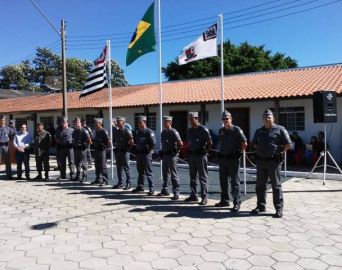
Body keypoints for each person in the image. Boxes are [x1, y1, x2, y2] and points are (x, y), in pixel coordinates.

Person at [251, 109, 292, 218]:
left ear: (273, 118)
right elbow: (254, 144)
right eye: (265, 117)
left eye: (269, 117)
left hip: (274, 162)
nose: (267, 119)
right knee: (260, 186)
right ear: (263, 119)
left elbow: (288, 144)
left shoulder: (280, 129)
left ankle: (279, 208)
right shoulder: (259, 131)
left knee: (276, 186)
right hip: (261, 162)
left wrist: (278, 152)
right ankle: (261, 206)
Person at [216, 110, 247, 212]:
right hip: (223, 159)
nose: (225, 120)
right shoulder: (221, 131)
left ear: (231, 119)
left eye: (227, 118)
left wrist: (239, 152)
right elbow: (220, 143)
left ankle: (236, 202)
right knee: (223, 181)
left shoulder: (236, 130)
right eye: (223, 119)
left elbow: (244, 143)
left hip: (233, 159)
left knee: (234, 182)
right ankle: (224, 200)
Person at [185, 112, 212, 205]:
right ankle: (194, 195)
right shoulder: (190, 130)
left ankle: (204, 197)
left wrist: (206, 151)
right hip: (192, 156)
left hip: (201, 156)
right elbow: (189, 142)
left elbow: (210, 142)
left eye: (192, 118)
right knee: (192, 177)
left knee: (203, 177)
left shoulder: (203, 129)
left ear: (197, 118)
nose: (190, 120)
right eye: (189, 118)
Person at [158, 116, 183, 200]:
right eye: (164, 122)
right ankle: (165, 190)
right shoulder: (163, 132)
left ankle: (176, 192)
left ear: (170, 123)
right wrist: (161, 152)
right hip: (165, 155)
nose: (164, 123)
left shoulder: (174, 132)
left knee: (174, 174)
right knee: (165, 174)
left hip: (172, 156)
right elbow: (163, 144)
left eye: (166, 122)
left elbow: (181, 143)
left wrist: (177, 151)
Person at [132, 115, 156, 195]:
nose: (138, 124)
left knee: (148, 171)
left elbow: (153, 143)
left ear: (144, 122)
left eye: (140, 122)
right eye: (138, 122)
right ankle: (140, 186)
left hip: (146, 155)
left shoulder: (149, 132)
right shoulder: (138, 132)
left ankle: (151, 188)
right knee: (140, 171)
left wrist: (148, 150)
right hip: (139, 154)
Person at [112, 116, 134, 190]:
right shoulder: (117, 131)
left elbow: (131, 142)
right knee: (119, 168)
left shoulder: (127, 131)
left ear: (123, 123)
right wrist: (116, 146)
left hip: (125, 152)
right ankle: (120, 183)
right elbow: (115, 141)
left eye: (119, 121)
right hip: (118, 152)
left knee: (126, 168)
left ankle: (129, 183)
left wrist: (127, 149)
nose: (117, 123)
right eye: (117, 121)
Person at [91, 118, 111, 186]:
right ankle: (98, 179)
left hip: (102, 150)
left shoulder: (104, 131)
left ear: (100, 124)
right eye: (95, 123)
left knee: (103, 166)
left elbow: (109, 141)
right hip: (96, 150)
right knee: (97, 165)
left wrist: (106, 148)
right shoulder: (96, 131)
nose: (96, 125)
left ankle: (105, 180)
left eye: (97, 123)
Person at [72, 117, 91, 182]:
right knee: (77, 163)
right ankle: (78, 176)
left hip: (82, 149)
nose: (77, 124)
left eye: (78, 122)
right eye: (76, 123)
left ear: (80, 123)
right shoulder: (74, 131)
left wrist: (85, 147)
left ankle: (84, 176)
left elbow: (89, 140)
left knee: (83, 164)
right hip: (76, 149)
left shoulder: (84, 131)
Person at [0, 115, 15, 179]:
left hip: (6, 145)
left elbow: (13, 136)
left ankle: (9, 175)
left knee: (7, 161)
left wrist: (13, 127)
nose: (2, 121)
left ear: (5, 121)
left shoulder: (8, 129)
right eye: (1, 120)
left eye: (3, 120)